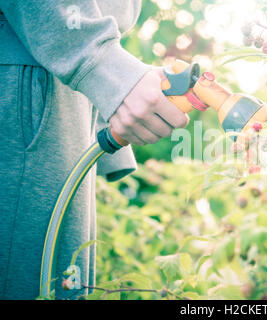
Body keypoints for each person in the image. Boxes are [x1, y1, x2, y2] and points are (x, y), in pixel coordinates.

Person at [0, 0, 188, 299]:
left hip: (58, 75)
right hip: (30, 71)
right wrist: (104, 66)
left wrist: (110, 84)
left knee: (59, 280)